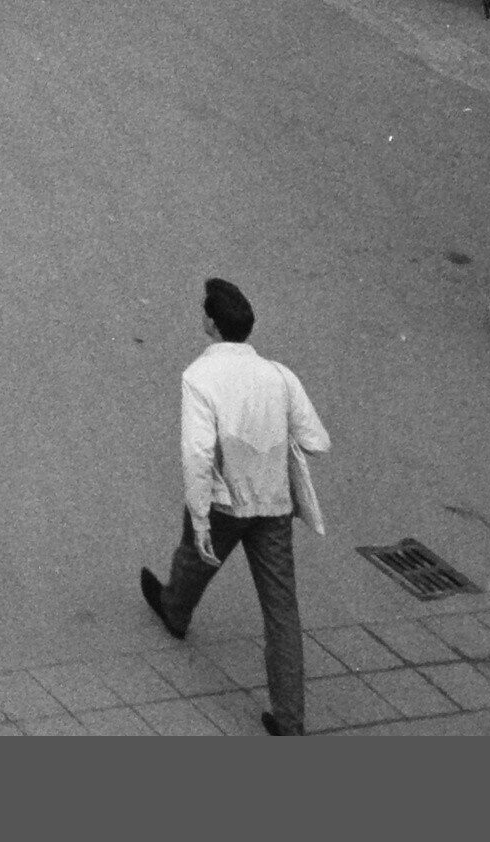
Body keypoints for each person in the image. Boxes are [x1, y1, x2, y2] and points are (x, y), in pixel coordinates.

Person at [141, 276, 328, 731]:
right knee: (281, 610)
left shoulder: (199, 378)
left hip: (225, 503)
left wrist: (200, 516)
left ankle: (175, 609)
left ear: (211, 323)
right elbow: (316, 441)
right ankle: (289, 720)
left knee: (196, 555)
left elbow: (198, 454)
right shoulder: (279, 375)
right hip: (274, 505)